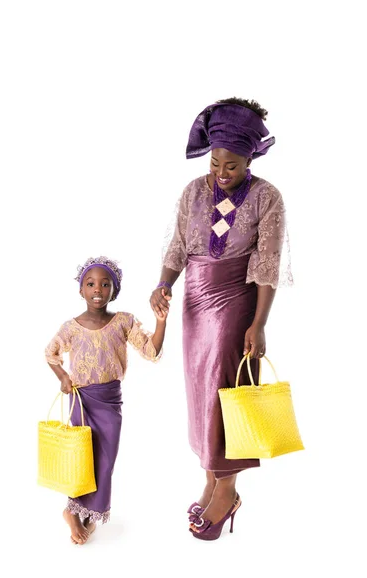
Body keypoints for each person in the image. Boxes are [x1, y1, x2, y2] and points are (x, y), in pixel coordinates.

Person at [150, 97, 291, 541]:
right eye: (215, 163)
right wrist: (163, 284)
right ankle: (211, 476)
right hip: (194, 302)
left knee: (224, 392)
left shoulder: (267, 197)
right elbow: (178, 245)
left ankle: (228, 486)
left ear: (250, 158)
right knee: (199, 393)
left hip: (235, 302)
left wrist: (259, 323)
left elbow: (266, 265)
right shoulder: (194, 190)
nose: (221, 172)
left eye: (231, 165)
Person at [46, 255, 167, 544]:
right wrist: (63, 376)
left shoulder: (123, 321)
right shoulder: (71, 327)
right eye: (90, 284)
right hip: (82, 400)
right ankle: (72, 511)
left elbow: (151, 351)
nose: (97, 289)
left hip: (110, 401)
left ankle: (89, 509)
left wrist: (161, 322)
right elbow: (50, 353)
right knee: (81, 456)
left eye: (104, 284)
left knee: (105, 460)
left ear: (115, 290)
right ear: (81, 290)